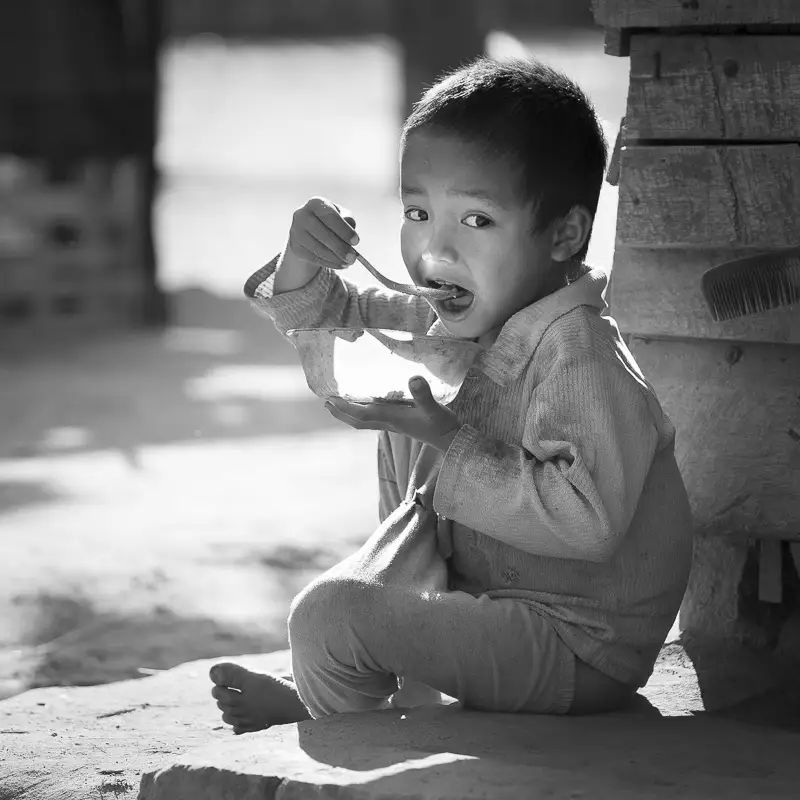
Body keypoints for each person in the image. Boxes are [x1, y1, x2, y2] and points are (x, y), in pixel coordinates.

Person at [210, 56, 694, 734]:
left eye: (476, 221)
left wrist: (450, 442)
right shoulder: (464, 315)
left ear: (563, 234)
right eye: (418, 211)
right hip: (487, 606)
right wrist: (302, 255)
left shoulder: (579, 354)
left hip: (577, 646)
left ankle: (337, 714)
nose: (434, 250)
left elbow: (589, 521)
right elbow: (336, 311)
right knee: (402, 397)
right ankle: (351, 703)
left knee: (328, 617)